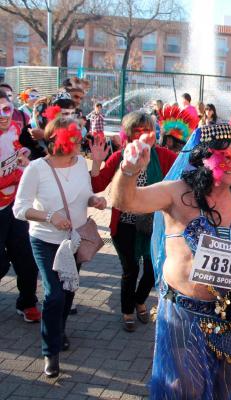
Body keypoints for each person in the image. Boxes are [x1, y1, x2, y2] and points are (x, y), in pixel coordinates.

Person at [115, 123, 231, 398]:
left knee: (230, 383)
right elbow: (126, 201)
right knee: (187, 388)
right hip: (184, 312)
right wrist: (129, 170)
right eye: (226, 159)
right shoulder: (176, 193)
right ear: (204, 160)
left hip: (229, 311)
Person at [13, 117, 107, 377]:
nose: (80, 144)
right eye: (74, 140)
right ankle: (50, 352)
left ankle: (59, 328)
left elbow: (85, 193)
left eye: (79, 139)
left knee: (67, 292)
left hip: (73, 240)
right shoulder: (36, 169)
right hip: (45, 241)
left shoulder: (79, 165)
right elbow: (19, 208)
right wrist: (49, 217)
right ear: (58, 142)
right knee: (53, 294)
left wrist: (95, 200)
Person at [90, 111, 177, 332]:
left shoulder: (165, 156)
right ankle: (127, 310)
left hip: (155, 225)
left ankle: (140, 300)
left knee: (152, 269)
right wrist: (97, 162)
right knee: (130, 270)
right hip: (125, 224)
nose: (143, 135)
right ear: (129, 134)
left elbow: (183, 176)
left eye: (147, 130)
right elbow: (97, 184)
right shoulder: (121, 156)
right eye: (137, 131)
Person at [0, 90, 41, 323]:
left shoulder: (18, 131)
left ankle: (27, 302)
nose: (4, 116)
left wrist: (28, 161)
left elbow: (36, 157)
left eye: (7, 109)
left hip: (15, 208)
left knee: (26, 259)